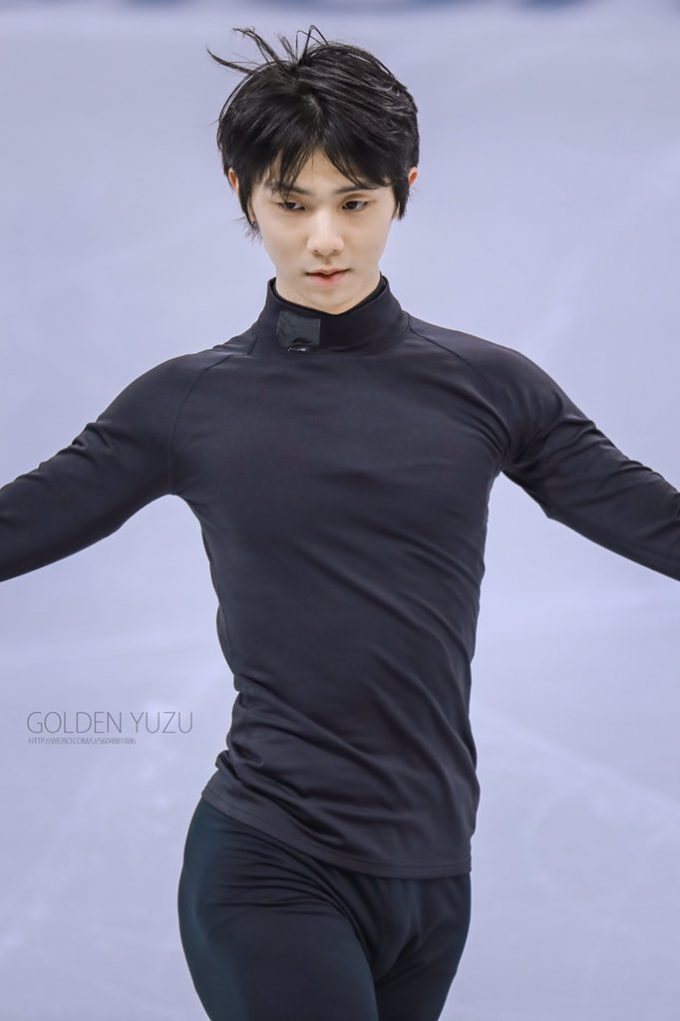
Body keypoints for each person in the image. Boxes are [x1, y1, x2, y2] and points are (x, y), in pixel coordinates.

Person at [2, 22, 679, 1021]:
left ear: (403, 190)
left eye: (354, 202)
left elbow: (660, 526)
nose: (324, 238)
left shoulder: (493, 389)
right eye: (292, 202)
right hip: (269, 862)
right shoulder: (184, 404)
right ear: (242, 193)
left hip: (434, 878)